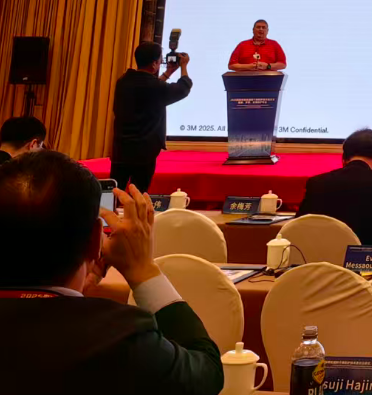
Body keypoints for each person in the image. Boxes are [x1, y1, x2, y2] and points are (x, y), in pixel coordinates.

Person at [0, 150, 224, 395]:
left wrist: (71, 294)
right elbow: (205, 376)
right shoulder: (117, 337)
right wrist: (143, 270)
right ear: (96, 239)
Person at [110, 41, 191, 192]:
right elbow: (183, 88)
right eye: (160, 60)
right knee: (139, 193)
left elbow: (149, 87)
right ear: (154, 64)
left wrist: (167, 74)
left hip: (121, 149)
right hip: (144, 151)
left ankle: (108, 209)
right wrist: (184, 67)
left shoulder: (123, 81)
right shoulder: (155, 87)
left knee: (114, 192)